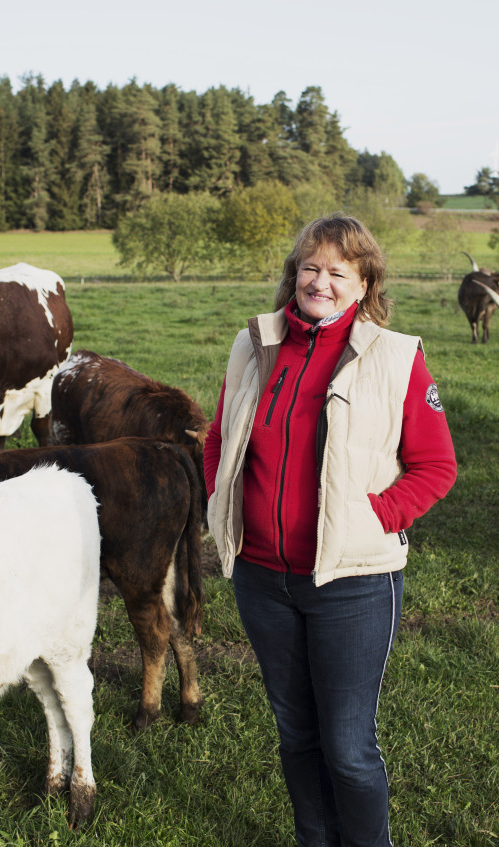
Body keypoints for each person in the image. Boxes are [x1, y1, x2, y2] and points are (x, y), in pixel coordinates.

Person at [205, 214, 457, 846]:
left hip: (353, 584)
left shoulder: (398, 359)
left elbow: (436, 467)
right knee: (296, 734)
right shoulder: (253, 346)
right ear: (294, 274)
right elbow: (218, 439)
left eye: (338, 271)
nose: (320, 281)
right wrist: (220, 496)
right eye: (309, 267)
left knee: (347, 747)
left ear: (364, 282)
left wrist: (374, 517)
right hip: (262, 579)